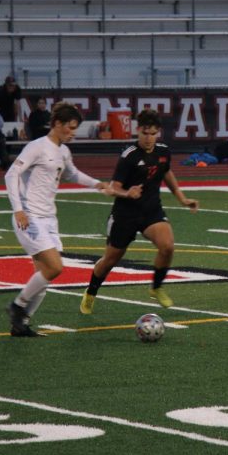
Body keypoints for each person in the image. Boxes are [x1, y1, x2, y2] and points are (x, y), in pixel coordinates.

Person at [4, 102, 110, 337]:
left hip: (49, 219)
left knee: (44, 276)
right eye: (70, 128)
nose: (73, 133)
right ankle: (17, 306)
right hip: (30, 217)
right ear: (57, 124)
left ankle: (21, 324)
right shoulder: (37, 146)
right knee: (55, 267)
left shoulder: (63, 151)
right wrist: (18, 209)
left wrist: (97, 184)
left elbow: (72, 174)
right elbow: (12, 173)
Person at [80, 108, 199, 314]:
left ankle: (156, 287)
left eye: (152, 133)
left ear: (158, 132)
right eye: (145, 132)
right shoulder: (129, 156)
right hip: (125, 215)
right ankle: (90, 292)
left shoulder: (163, 151)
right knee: (110, 260)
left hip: (151, 211)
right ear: (138, 131)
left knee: (167, 246)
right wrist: (128, 193)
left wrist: (182, 198)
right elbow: (112, 188)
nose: (148, 137)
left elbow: (167, 173)